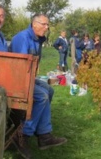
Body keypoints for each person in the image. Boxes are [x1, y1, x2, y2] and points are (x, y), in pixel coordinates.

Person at [10, 14, 67, 158]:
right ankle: (23, 135)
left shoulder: (37, 39)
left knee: (49, 90)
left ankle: (44, 134)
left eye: (48, 25)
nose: (47, 28)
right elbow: (20, 67)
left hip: (27, 77)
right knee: (41, 96)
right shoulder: (23, 38)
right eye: (44, 24)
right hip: (17, 80)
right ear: (34, 24)